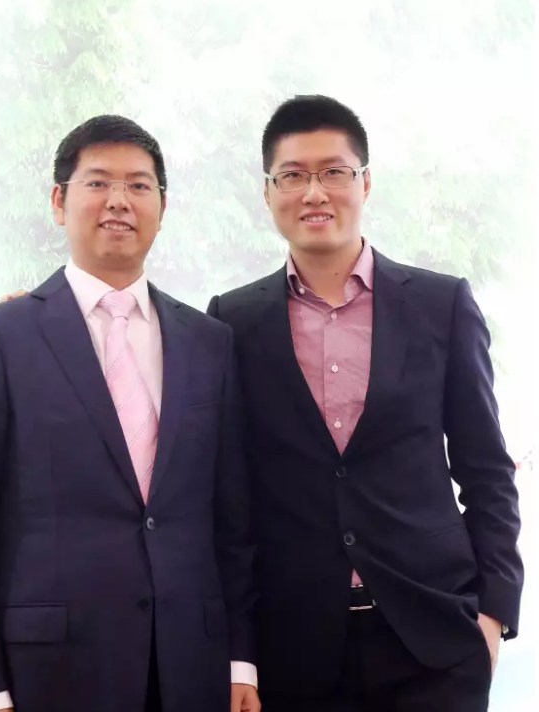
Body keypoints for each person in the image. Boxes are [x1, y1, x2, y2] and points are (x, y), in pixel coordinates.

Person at [0, 115, 260, 712]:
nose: (119, 201)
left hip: (192, 668)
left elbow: (231, 521)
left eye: (139, 185)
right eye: (98, 182)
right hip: (47, 673)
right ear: (58, 201)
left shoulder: (210, 342)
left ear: (162, 206)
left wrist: (240, 660)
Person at [207, 95, 523, 712]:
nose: (314, 192)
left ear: (366, 183)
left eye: (334, 172)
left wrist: (494, 616)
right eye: (292, 175)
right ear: (268, 192)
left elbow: (487, 472)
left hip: (434, 644)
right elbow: (230, 503)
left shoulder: (440, 305)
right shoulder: (232, 320)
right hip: (294, 650)